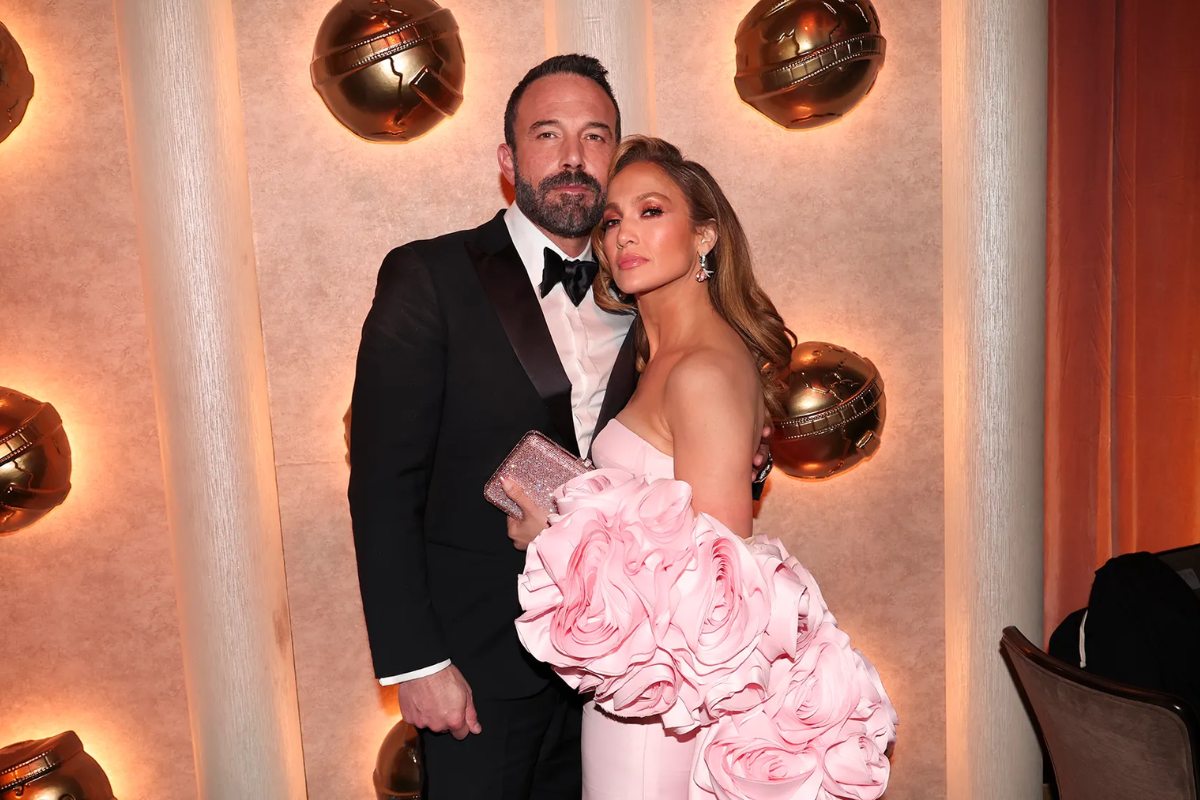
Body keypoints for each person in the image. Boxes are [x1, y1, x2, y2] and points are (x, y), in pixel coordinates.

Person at [506, 138, 897, 798]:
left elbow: (720, 590)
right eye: (611, 220)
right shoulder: (663, 357)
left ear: (705, 235)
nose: (625, 234)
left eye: (651, 211)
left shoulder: (703, 370)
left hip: (662, 707)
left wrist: (556, 537)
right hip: (644, 688)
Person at [348, 54, 630, 800]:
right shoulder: (430, 276)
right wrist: (417, 663)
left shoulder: (645, 290)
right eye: (548, 134)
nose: (573, 157)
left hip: (615, 671)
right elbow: (383, 483)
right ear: (509, 160)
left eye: (595, 136)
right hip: (475, 671)